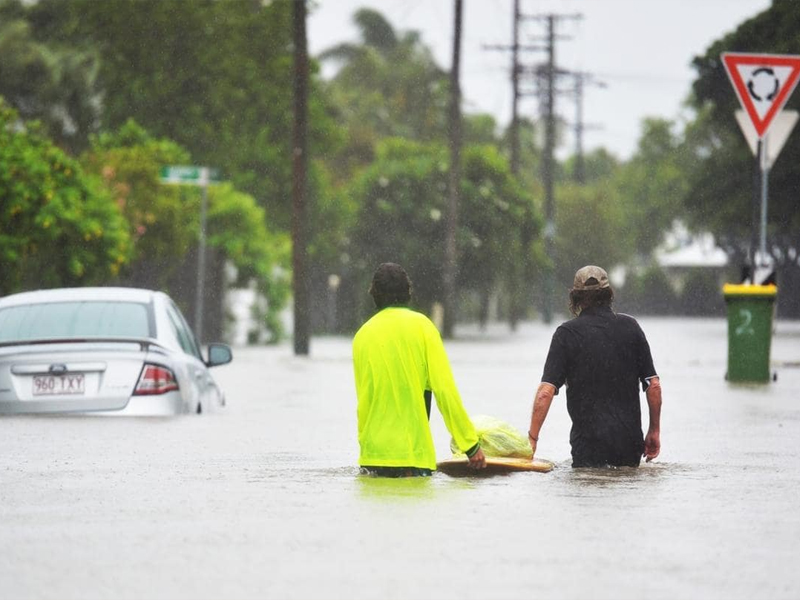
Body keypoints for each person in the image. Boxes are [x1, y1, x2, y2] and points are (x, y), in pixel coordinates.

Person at [352, 262, 486, 476]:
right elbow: (444, 391)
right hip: (412, 457)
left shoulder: (362, 336)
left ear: (374, 294)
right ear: (408, 292)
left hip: (371, 457)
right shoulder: (424, 328)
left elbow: (364, 402)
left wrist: (366, 446)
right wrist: (470, 445)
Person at [528, 265, 662, 467]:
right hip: (630, 446)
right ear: (609, 294)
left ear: (576, 298)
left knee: (588, 486)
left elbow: (545, 392)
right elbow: (654, 386)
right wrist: (654, 431)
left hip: (588, 448)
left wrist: (532, 439)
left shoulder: (566, 334)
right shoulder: (631, 327)